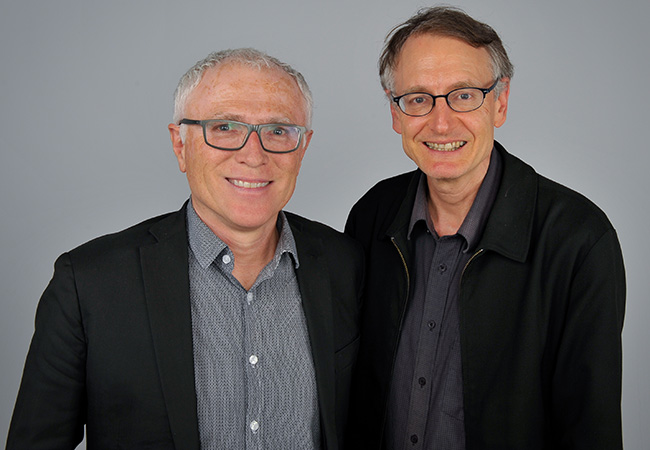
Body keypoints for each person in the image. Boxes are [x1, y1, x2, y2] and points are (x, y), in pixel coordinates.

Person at [7, 48, 363, 450]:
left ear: (303, 147)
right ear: (180, 144)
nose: (253, 154)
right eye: (225, 127)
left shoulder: (345, 264)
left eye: (278, 130)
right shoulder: (89, 283)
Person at [345, 6, 625, 450]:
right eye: (418, 98)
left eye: (464, 95)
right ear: (395, 113)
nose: (440, 122)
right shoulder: (371, 216)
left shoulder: (579, 239)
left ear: (501, 101)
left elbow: (590, 427)